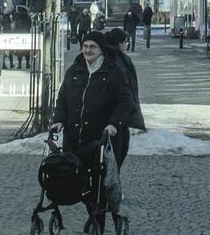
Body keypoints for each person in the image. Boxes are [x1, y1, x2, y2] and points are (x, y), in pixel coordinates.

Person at [50, 32, 131, 166]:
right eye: (85, 46)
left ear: (101, 49)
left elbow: (125, 101)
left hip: (100, 140)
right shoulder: (74, 70)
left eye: (93, 47)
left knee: (100, 182)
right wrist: (59, 120)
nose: (88, 50)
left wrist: (114, 123)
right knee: (70, 178)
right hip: (73, 139)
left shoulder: (114, 72)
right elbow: (63, 98)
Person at [99, 29, 144, 168]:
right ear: (119, 43)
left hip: (115, 115)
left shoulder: (113, 58)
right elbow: (127, 91)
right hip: (117, 117)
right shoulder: (119, 61)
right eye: (125, 42)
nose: (127, 44)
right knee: (114, 156)